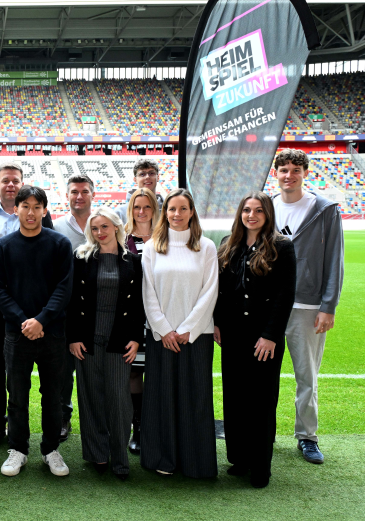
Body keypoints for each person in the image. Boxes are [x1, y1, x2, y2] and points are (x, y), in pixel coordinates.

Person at [0, 162, 54, 449]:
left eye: (15, 180)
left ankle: (38, 429)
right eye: (5, 180)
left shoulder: (40, 214)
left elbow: (48, 253)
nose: (10, 185)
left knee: (30, 368)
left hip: (31, 307)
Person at [215, 191, 296, 488]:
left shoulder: (282, 247)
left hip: (263, 339)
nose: (251, 215)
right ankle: (240, 458)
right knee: (235, 399)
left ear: (268, 214)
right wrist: (217, 323)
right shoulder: (229, 244)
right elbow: (221, 291)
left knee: (260, 402)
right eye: (246, 210)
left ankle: (261, 466)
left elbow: (284, 295)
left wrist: (270, 336)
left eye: (258, 210)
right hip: (233, 336)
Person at [0, 185, 73, 477]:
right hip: (17, 334)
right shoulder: (2, 246)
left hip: (52, 333)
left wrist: (42, 320)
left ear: (45, 210)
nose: (30, 212)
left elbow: (64, 288)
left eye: (36, 207)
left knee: (53, 395)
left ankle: (51, 449)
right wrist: (24, 321)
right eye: (25, 206)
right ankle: (18, 449)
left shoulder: (60, 245)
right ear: (15, 209)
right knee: (17, 396)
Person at [271, 149, 344, 464]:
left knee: (306, 376)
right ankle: (262, 432)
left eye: (295, 170)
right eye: (284, 170)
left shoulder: (324, 209)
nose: (289, 175)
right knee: (263, 376)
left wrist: (328, 306)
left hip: (307, 307)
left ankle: (307, 437)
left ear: (305, 172)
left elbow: (335, 261)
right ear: (276, 173)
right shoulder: (265, 206)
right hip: (271, 306)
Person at [140, 188, 219, 479]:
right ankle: (163, 457)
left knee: (195, 398)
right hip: (161, 336)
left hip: (196, 336)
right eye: (172, 209)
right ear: (165, 212)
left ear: (192, 212)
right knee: (161, 397)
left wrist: (187, 330)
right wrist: (164, 330)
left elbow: (210, 291)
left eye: (183, 209)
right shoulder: (152, 247)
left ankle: (194, 461)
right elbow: (148, 293)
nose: (177, 214)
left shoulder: (206, 247)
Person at [67, 207, 144, 480]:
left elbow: (138, 305)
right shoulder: (82, 258)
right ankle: (97, 454)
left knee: (119, 400)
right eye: (95, 228)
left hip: (119, 342)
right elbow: (73, 301)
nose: (100, 233)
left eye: (105, 227)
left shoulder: (133, 261)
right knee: (91, 399)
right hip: (87, 341)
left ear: (116, 227)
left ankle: (120, 456)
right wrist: (74, 337)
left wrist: (136, 338)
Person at [52, 173, 94, 442]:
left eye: (84, 191)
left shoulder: (103, 223)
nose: (79, 196)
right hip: (66, 311)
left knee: (94, 371)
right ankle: (63, 417)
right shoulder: (56, 227)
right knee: (64, 372)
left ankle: (96, 420)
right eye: (74, 192)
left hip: (97, 310)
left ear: (92, 194)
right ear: (66, 195)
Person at [123, 187, 159, 455]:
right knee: (134, 372)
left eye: (147, 207)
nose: (142, 212)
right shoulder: (122, 238)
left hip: (161, 316)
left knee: (158, 373)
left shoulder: (165, 237)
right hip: (132, 316)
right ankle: (138, 428)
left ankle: (158, 428)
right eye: (137, 207)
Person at [116, 158, 164, 225]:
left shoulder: (168, 209)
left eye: (151, 173)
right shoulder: (120, 213)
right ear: (135, 179)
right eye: (142, 174)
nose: (147, 177)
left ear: (158, 177)